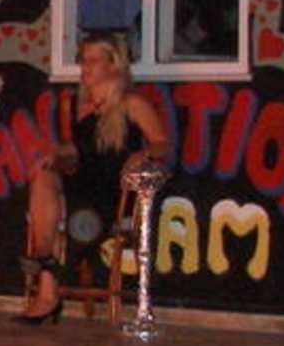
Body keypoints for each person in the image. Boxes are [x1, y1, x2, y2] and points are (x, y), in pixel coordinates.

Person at [17, 30, 172, 324]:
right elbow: (82, 150)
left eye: (92, 60)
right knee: (44, 178)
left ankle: (46, 286)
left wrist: (143, 155)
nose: (84, 67)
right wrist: (55, 153)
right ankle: (44, 257)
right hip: (82, 181)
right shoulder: (79, 103)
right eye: (82, 60)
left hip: (113, 188)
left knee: (69, 208)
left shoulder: (131, 103)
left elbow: (161, 142)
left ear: (113, 64)